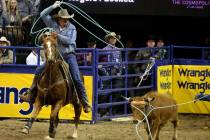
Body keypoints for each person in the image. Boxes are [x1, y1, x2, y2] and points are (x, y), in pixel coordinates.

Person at [19, 1, 91, 113]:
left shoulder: (72, 28)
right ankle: (30, 94)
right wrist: (53, 6)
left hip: (69, 56)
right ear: (59, 18)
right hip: (56, 57)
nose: (65, 20)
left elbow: (70, 41)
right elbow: (42, 14)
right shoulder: (53, 25)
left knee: (76, 77)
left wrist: (59, 36)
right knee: (39, 69)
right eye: (63, 18)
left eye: (66, 18)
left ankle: (85, 102)